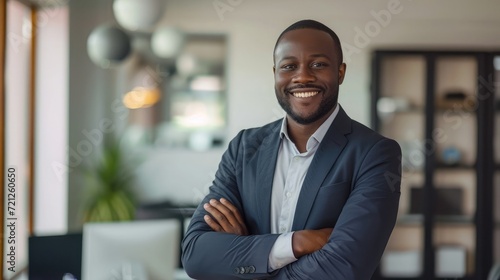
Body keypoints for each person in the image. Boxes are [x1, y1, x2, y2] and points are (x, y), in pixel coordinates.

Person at [181, 19, 401, 280]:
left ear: (340, 73)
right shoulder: (244, 148)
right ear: (275, 73)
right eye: (289, 66)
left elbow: (344, 268)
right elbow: (196, 255)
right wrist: (298, 242)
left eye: (318, 64)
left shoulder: (375, 153)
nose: (303, 76)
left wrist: (249, 254)